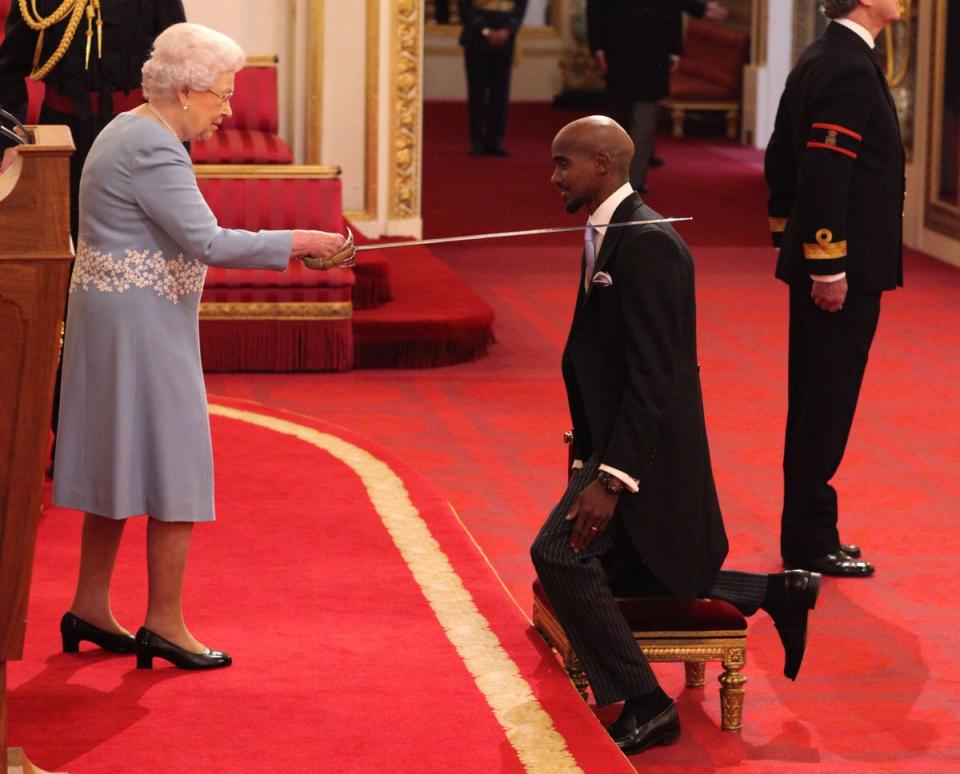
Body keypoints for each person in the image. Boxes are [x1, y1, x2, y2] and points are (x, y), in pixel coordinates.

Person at [53, 22, 354, 671]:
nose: (225, 109)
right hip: (139, 326)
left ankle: (90, 604)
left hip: (120, 318)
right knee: (173, 459)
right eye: (219, 96)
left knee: (119, 460)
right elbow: (209, 242)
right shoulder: (154, 147)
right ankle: (163, 622)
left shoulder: (130, 129)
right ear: (185, 91)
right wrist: (297, 241)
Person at [531, 116, 820, 754]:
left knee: (558, 554)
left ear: (603, 165)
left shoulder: (650, 244)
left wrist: (611, 479)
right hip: (609, 446)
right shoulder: (612, 233)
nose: (553, 177)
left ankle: (646, 702)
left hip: (643, 459)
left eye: (563, 164)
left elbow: (655, 375)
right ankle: (773, 591)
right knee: (630, 570)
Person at [764, 0, 904, 577]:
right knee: (826, 400)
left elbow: (780, 158)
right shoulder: (847, 64)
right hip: (842, 271)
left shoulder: (824, 55)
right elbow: (825, 171)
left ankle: (811, 528)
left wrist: (787, 237)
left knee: (818, 398)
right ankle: (808, 541)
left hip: (833, 263)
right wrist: (826, 265)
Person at [0, 0, 187, 238]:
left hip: (137, 132)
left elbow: (178, 62)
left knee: (141, 235)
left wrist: (176, 138)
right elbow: (9, 70)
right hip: (64, 136)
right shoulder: (34, 4)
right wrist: (11, 143)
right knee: (62, 235)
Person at [586, 0, 726, 192]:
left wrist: (675, 48)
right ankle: (616, 178)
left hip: (651, 46)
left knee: (644, 116)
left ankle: (631, 182)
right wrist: (597, 45)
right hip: (620, 43)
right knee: (620, 117)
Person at [458, 0, 527, 156]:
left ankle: (496, 141)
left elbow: (521, 6)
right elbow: (465, 7)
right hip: (476, 37)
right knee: (477, 91)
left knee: (500, 91)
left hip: (505, 36)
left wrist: (508, 30)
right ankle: (477, 142)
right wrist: (485, 30)